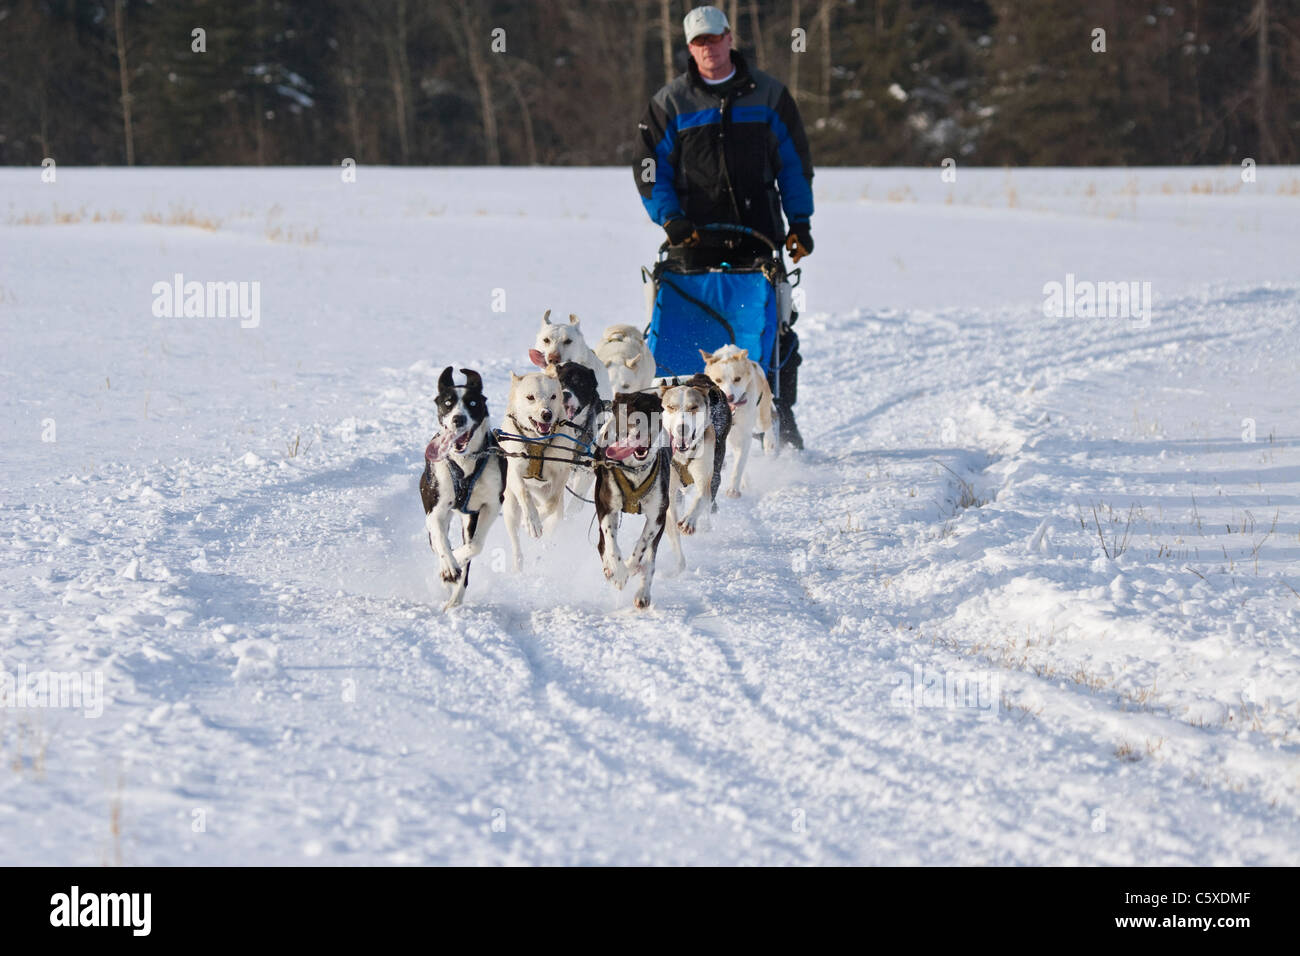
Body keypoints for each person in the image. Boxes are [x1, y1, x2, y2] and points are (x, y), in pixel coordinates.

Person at [634, 4, 813, 449]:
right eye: (699, 42)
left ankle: (776, 420)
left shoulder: (769, 96)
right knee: (677, 327)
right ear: (690, 48)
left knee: (775, 333)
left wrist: (801, 221)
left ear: (729, 38)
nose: (708, 48)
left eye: (715, 38)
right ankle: (673, 420)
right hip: (691, 240)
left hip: (757, 235)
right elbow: (649, 168)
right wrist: (670, 218)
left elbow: (793, 165)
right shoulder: (669, 103)